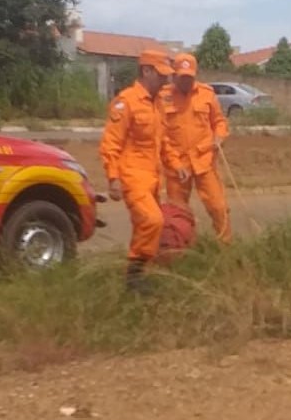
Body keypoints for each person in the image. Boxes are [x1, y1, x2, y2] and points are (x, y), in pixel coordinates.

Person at [99, 49, 188, 293]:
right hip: (132, 176)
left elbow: (164, 142)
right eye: (161, 75)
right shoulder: (125, 102)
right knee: (153, 220)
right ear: (146, 71)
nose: (166, 80)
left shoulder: (158, 104)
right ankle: (134, 276)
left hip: (152, 177)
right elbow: (110, 144)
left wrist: (176, 165)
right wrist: (113, 178)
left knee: (145, 227)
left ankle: (141, 277)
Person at [159, 53, 232, 244]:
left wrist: (219, 137)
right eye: (182, 77)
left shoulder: (207, 94)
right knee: (178, 214)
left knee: (218, 207)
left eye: (190, 77)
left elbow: (219, 122)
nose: (186, 81)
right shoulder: (163, 97)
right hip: (177, 166)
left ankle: (225, 247)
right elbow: (161, 136)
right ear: (174, 75)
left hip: (204, 161)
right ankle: (181, 250)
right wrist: (175, 163)